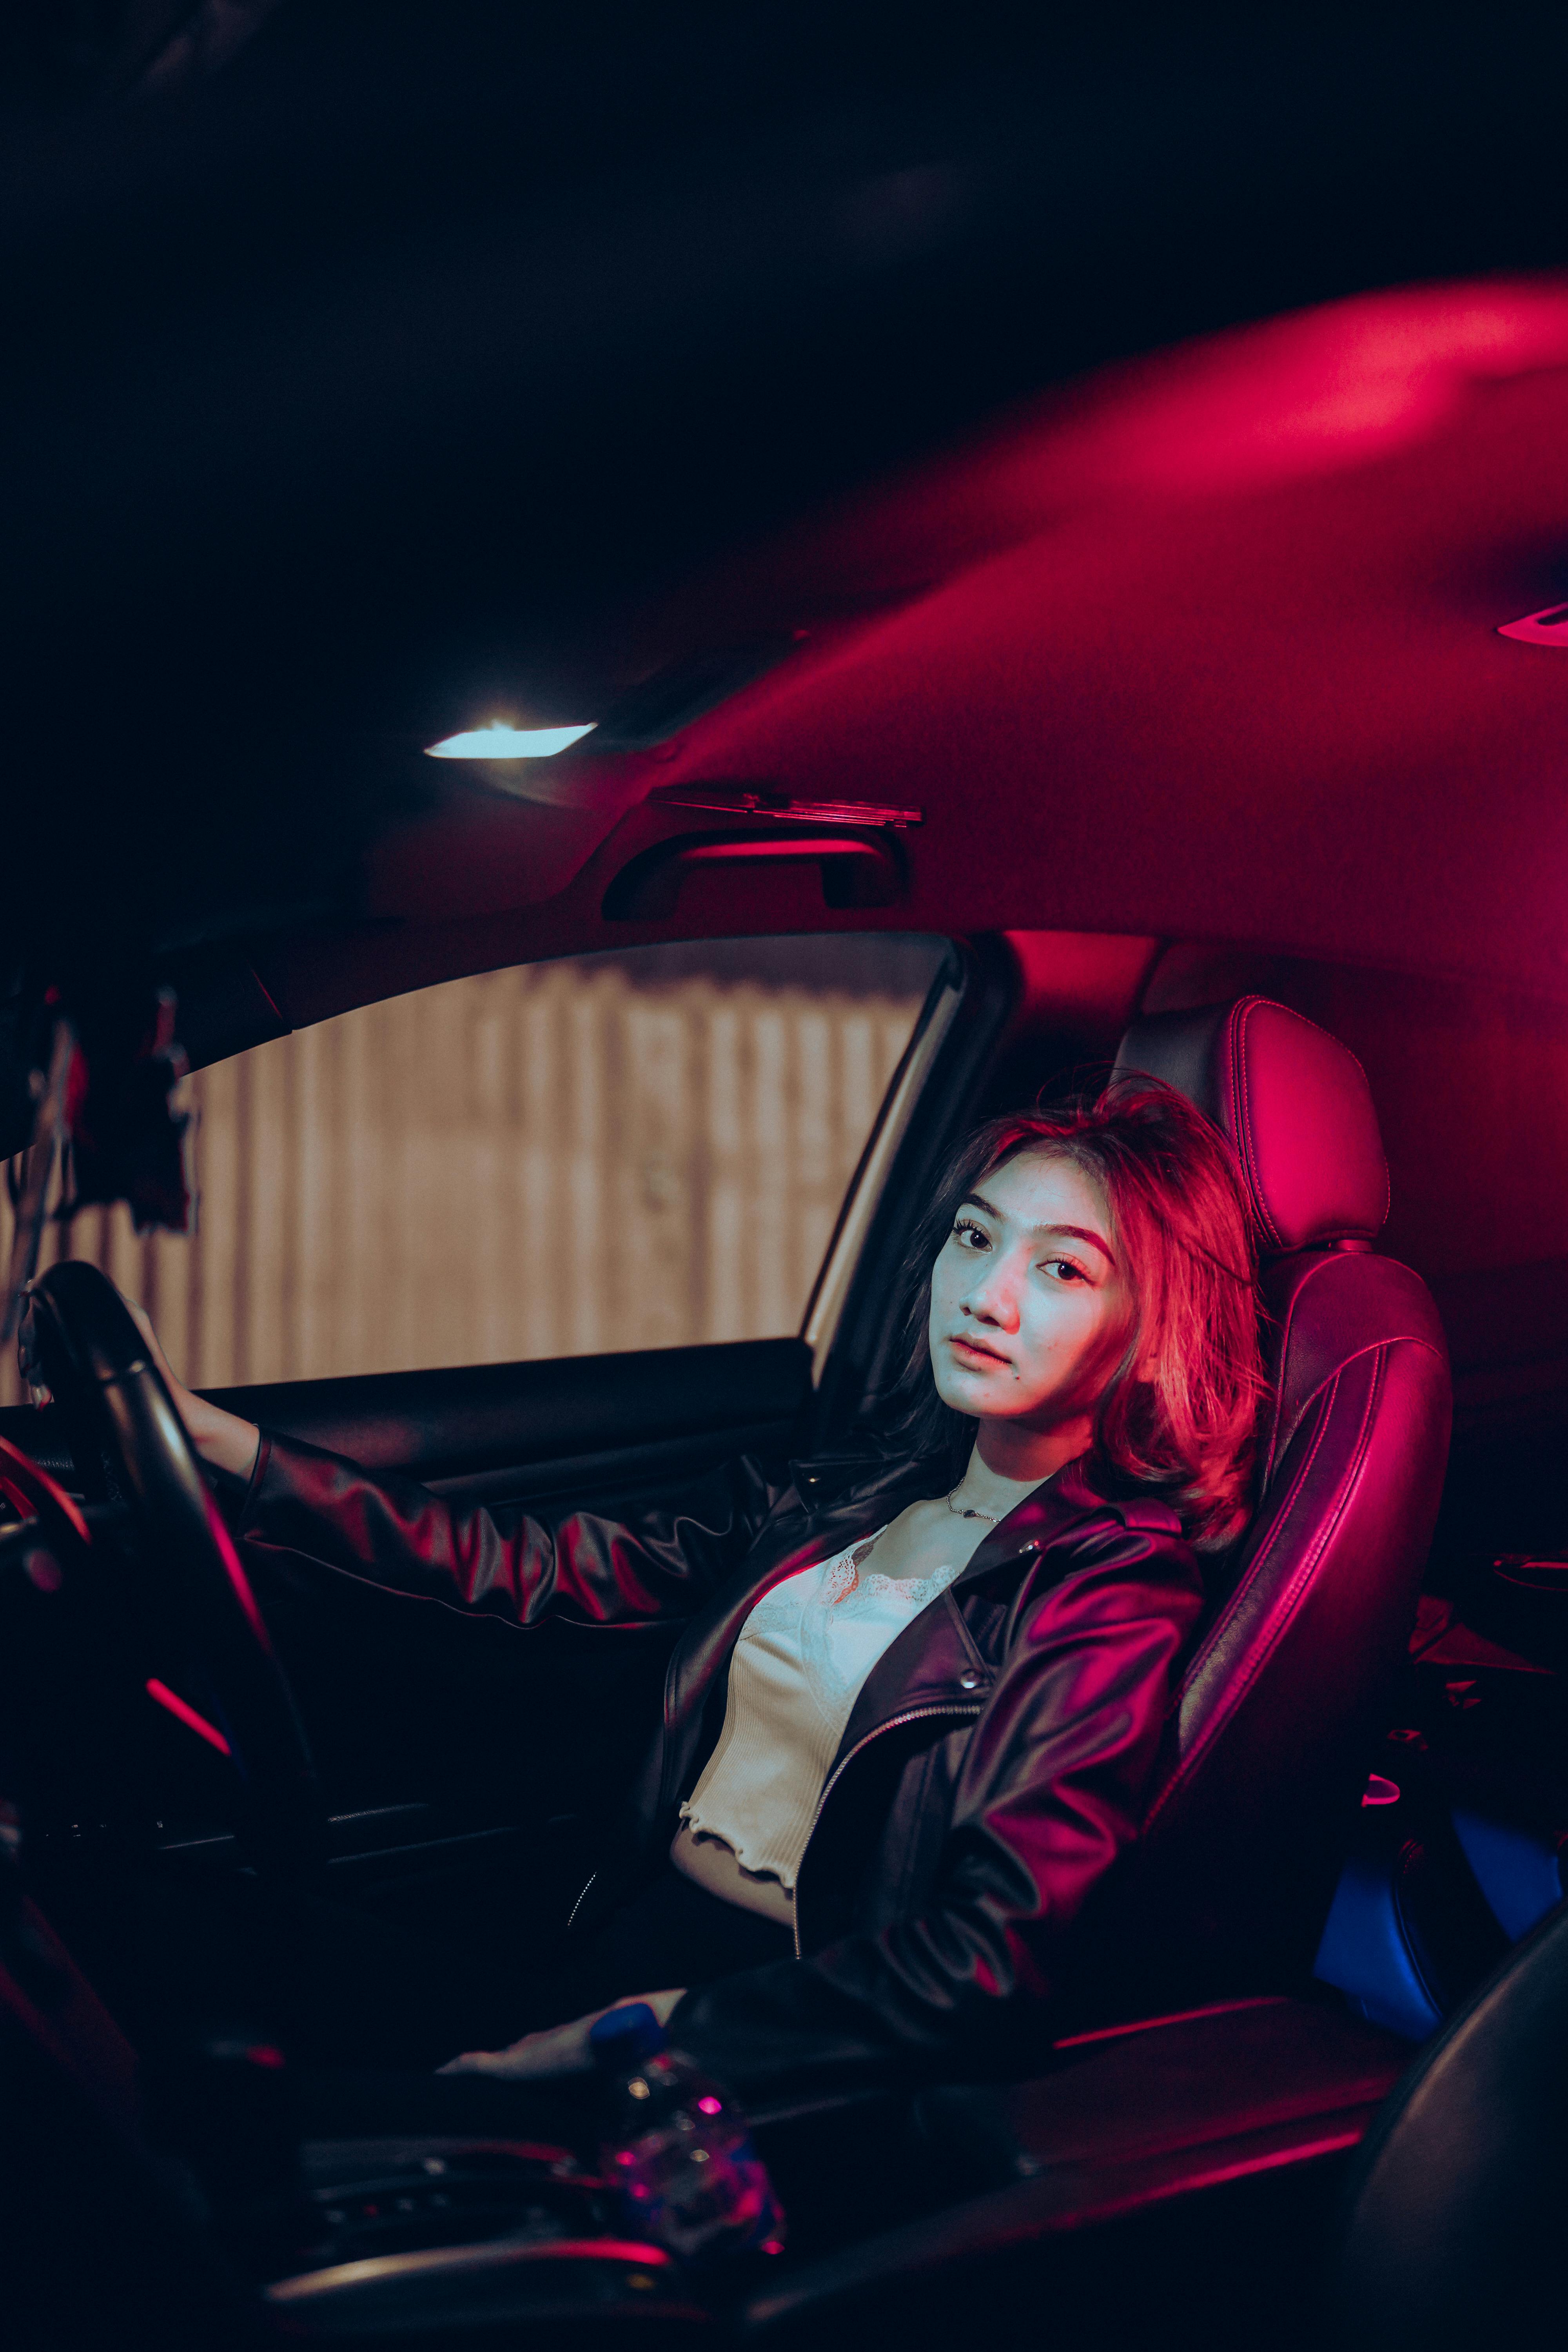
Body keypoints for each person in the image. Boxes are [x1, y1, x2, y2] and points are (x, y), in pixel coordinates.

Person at [141, 1076, 1265, 2100]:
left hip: (759, 2047)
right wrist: (226, 1449)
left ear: (1146, 1338)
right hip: (613, 1938)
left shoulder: (1112, 1589)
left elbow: (981, 1964)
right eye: (976, 1238)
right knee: (198, 1933)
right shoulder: (858, 1487)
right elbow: (533, 1568)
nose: (988, 1295)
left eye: (1062, 1268)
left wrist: (661, 2035)